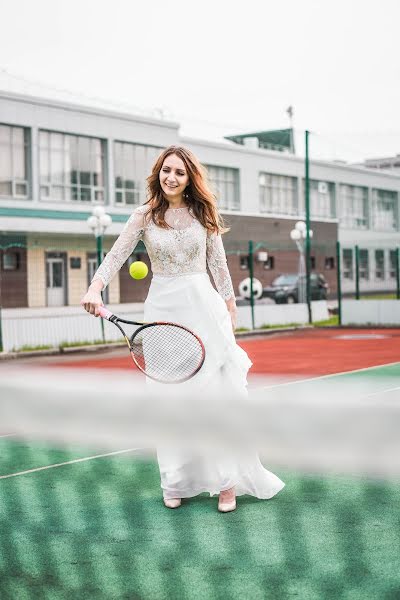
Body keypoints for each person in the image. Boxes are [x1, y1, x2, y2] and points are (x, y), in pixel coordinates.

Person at [81, 145, 284, 512]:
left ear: (190, 178)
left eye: (179, 172)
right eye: (166, 170)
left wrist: (230, 305)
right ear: (157, 174)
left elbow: (218, 265)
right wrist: (95, 287)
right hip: (162, 313)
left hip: (204, 310)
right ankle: (175, 482)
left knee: (215, 399)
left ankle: (227, 484)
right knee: (170, 401)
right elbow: (115, 255)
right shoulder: (143, 216)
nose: (171, 177)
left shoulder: (203, 214)